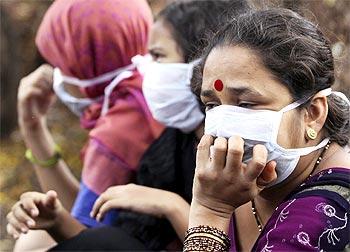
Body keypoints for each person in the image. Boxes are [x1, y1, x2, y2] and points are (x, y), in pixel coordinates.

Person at [6, 0, 251, 251]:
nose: (143, 67)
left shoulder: (240, 152)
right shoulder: (173, 141)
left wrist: (172, 206)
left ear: (202, 66)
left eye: (156, 56)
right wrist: (57, 219)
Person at [183, 8, 350, 251]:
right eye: (212, 105)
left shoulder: (328, 212)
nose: (225, 124)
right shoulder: (237, 184)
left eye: (246, 104)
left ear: (313, 114)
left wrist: (210, 211)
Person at [9, 0, 164, 251]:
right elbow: (85, 206)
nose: (56, 73)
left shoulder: (119, 129)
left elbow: (85, 235)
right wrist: (34, 130)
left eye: (61, 63)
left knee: (31, 244)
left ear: (86, 64)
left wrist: (31, 127)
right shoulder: (148, 91)